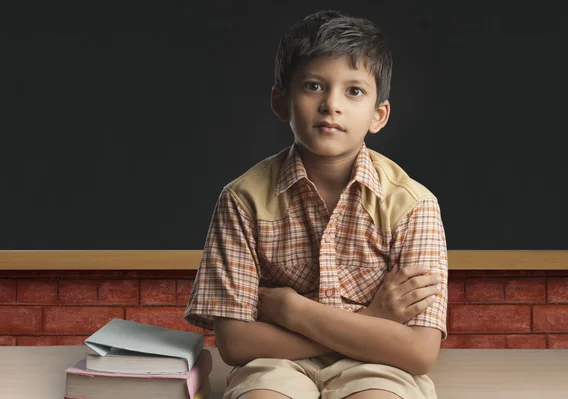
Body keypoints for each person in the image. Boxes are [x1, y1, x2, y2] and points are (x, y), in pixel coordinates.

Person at [185, 9, 448, 399]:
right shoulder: (242, 200)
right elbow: (236, 344)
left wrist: (295, 311)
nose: (331, 105)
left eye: (353, 90)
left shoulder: (413, 205)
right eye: (313, 86)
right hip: (276, 364)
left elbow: (418, 351)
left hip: (378, 367)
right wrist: (371, 321)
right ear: (281, 102)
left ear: (379, 115)